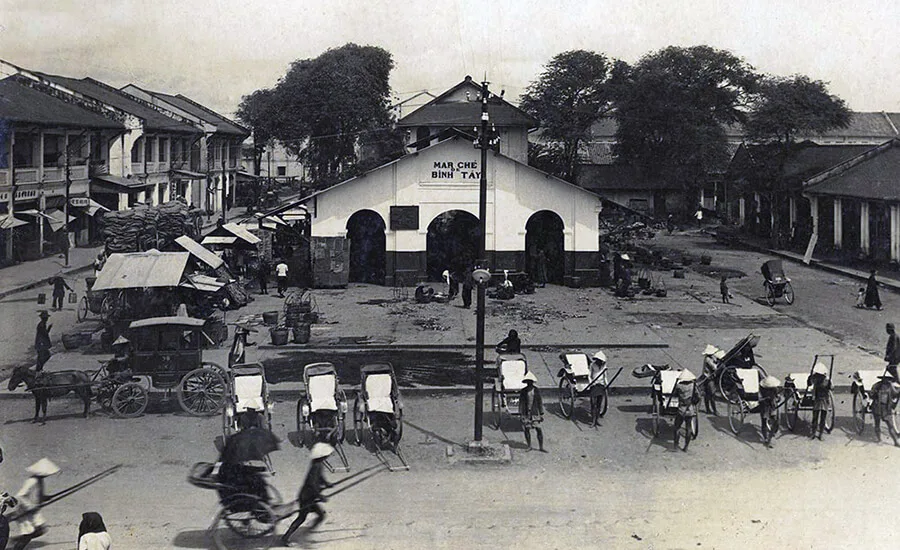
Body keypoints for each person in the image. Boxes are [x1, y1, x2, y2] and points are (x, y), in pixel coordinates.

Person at [280, 443, 335, 546]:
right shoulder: (316, 466)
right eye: (327, 455)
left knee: (320, 516)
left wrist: (328, 484)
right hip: (307, 497)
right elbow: (312, 484)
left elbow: (320, 478)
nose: (328, 456)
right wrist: (320, 496)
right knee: (303, 517)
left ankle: (307, 532)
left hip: (309, 496)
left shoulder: (318, 464)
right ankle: (285, 538)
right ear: (322, 456)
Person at [11, 458, 59, 550]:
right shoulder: (32, 481)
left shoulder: (40, 480)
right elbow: (20, 495)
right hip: (25, 511)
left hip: (34, 511)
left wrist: (45, 497)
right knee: (28, 535)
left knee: (41, 530)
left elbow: (37, 495)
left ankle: (17, 540)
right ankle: (17, 545)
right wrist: (30, 506)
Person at [672, 370, 699, 450]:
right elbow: (698, 396)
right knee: (688, 428)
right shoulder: (693, 385)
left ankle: (676, 446)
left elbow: (674, 394)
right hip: (690, 410)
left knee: (677, 427)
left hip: (681, 409)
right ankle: (686, 447)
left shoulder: (679, 385)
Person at [871, 371, 900, 445]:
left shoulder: (890, 386)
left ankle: (896, 441)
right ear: (883, 379)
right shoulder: (877, 385)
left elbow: (895, 393)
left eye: (888, 379)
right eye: (886, 379)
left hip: (886, 408)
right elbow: (872, 395)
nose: (887, 381)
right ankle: (879, 440)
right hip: (877, 406)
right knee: (877, 424)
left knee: (890, 425)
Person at [519, 372, 545, 451]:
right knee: (527, 429)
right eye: (528, 381)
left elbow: (540, 402)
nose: (529, 383)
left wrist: (541, 413)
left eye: (530, 381)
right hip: (526, 413)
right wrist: (521, 414)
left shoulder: (536, 390)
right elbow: (521, 403)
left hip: (534, 413)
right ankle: (529, 445)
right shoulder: (523, 391)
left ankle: (541, 447)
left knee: (538, 429)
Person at [807, 362, 832, 440]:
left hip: (824, 399)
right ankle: (814, 433)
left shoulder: (826, 379)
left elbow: (831, 387)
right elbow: (809, 384)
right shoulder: (815, 378)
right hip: (817, 399)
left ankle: (819, 433)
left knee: (821, 418)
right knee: (816, 417)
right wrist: (810, 377)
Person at [588, 351, 608, 427]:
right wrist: (591, 382)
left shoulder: (604, 366)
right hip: (594, 385)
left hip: (601, 385)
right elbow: (589, 375)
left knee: (599, 404)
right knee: (593, 404)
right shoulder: (593, 365)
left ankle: (597, 420)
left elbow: (605, 376)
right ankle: (593, 420)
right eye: (599, 360)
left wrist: (606, 384)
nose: (600, 362)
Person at [700, 345, 721, 415]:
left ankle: (708, 409)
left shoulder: (710, 358)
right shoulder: (708, 359)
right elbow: (714, 367)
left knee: (707, 394)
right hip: (708, 378)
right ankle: (714, 410)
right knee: (712, 394)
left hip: (707, 377)